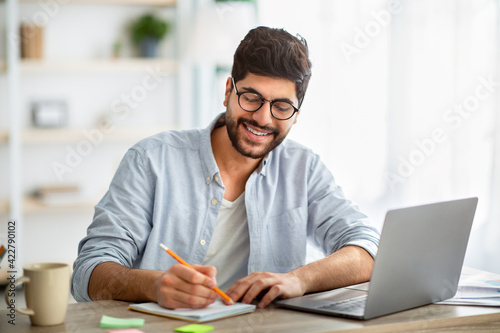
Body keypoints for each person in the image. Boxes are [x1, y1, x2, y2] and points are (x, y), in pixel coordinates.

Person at [71, 26, 380, 310]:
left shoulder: (304, 168)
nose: (263, 118)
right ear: (228, 90)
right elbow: (88, 272)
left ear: (296, 114)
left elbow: (368, 249)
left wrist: (300, 279)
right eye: (251, 98)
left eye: (282, 107)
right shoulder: (151, 160)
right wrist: (154, 285)